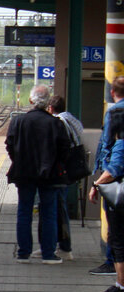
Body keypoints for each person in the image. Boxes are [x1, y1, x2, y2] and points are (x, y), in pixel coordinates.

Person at [5, 84, 69, 264]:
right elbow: (64, 149)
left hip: (24, 173)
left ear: (31, 100)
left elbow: (9, 145)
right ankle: (48, 254)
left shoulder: (18, 121)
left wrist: (18, 160)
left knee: (24, 211)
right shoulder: (55, 123)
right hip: (49, 175)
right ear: (48, 102)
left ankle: (23, 253)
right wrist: (56, 164)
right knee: (49, 212)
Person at [89, 103, 124, 292]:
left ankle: (121, 285)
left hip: (119, 199)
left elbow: (115, 168)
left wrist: (96, 185)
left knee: (118, 240)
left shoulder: (121, 142)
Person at [47, 95, 82, 256]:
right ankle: (63, 245)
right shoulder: (72, 119)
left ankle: (62, 247)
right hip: (71, 169)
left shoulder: (58, 122)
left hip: (61, 171)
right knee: (61, 208)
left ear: (51, 108)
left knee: (58, 209)